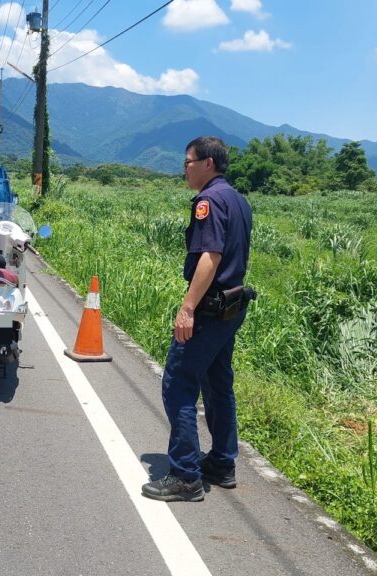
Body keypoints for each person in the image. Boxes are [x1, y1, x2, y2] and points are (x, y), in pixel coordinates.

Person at [142, 136, 253, 502]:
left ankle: (186, 474)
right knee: (218, 384)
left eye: (188, 161)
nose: (184, 168)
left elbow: (210, 257)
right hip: (232, 307)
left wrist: (187, 307)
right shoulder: (239, 200)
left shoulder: (208, 201)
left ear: (208, 163)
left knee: (178, 383)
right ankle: (222, 463)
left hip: (208, 309)